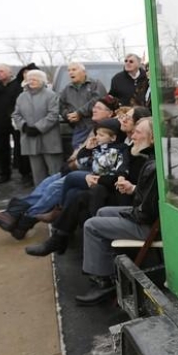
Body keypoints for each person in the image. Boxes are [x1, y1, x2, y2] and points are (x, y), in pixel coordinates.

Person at [0, 95, 120, 239]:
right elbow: (84, 151)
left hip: (96, 171)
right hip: (84, 166)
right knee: (48, 182)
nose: (94, 110)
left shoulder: (109, 130)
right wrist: (75, 160)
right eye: (94, 107)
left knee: (56, 186)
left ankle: (22, 221)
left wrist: (76, 162)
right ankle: (13, 216)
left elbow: (99, 157)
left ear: (110, 113)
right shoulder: (96, 127)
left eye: (99, 108)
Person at [25, 107, 152, 256]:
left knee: (79, 184)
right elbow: (97, 161)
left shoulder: (138, 151)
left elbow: (124, 176)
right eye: (123, 116)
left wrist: (99, 178)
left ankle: (55, 229)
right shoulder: (129, 144)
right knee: (74, 192)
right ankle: (60, 236)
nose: (122, 119)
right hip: (112, 186)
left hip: (123, 195)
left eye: (128, 118)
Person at [75, 117, 158, 306]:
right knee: (103, 212)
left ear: (151, 138)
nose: (132, 136)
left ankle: (103, 281)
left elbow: (147, 212)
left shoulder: (152, 164)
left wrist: (130, 209)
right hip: (145, 216)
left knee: (91, 224)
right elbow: (149, 197)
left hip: (148, 226)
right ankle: (106, 269)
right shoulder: (150, 159)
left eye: (138, 132)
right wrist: (133, 189)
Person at [59, 118, 129, 208]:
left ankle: (60, 206)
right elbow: (82, 161)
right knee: (72, 193)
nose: (96, 137)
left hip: (107, 181)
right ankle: (63, 213)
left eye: (101, 135)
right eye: (97, 134)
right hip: (94, 177)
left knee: (71, 177)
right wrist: (87, 149)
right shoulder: (99, 147)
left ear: (113, 137)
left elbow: (118, 167)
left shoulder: (120, 149)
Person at [11, 69, 62, 185]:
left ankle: (57, 198)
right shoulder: (22, 97)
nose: (31, 81)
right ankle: (40, 196)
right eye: (29, 79)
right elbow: (16, 114)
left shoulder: (51, 95)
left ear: (42, 80)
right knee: (37, 174)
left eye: (35, 79)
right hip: (30, 140)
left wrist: (38, 128)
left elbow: (53, 114)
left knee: (55, 172)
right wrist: (23, 127)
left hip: (49, 140)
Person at [0, 64, 24, 183]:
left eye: (2, 71)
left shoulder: (16, 85)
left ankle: (23, 172)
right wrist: (0, 86)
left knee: (19, 147)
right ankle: (4, 173)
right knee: (2, 148)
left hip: (15, 120)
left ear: (9, 72)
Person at [59, 62, 106, 149]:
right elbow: (61, 106)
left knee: (96, 151)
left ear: (84, 72)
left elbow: (97, 100)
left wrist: (79, 113)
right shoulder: (66, 89)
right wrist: (68, 115)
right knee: (78, 153)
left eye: (74, 69)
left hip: (96, 126)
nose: (70, 72)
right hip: (79, 127)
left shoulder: (95, 84)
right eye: (69, 70)